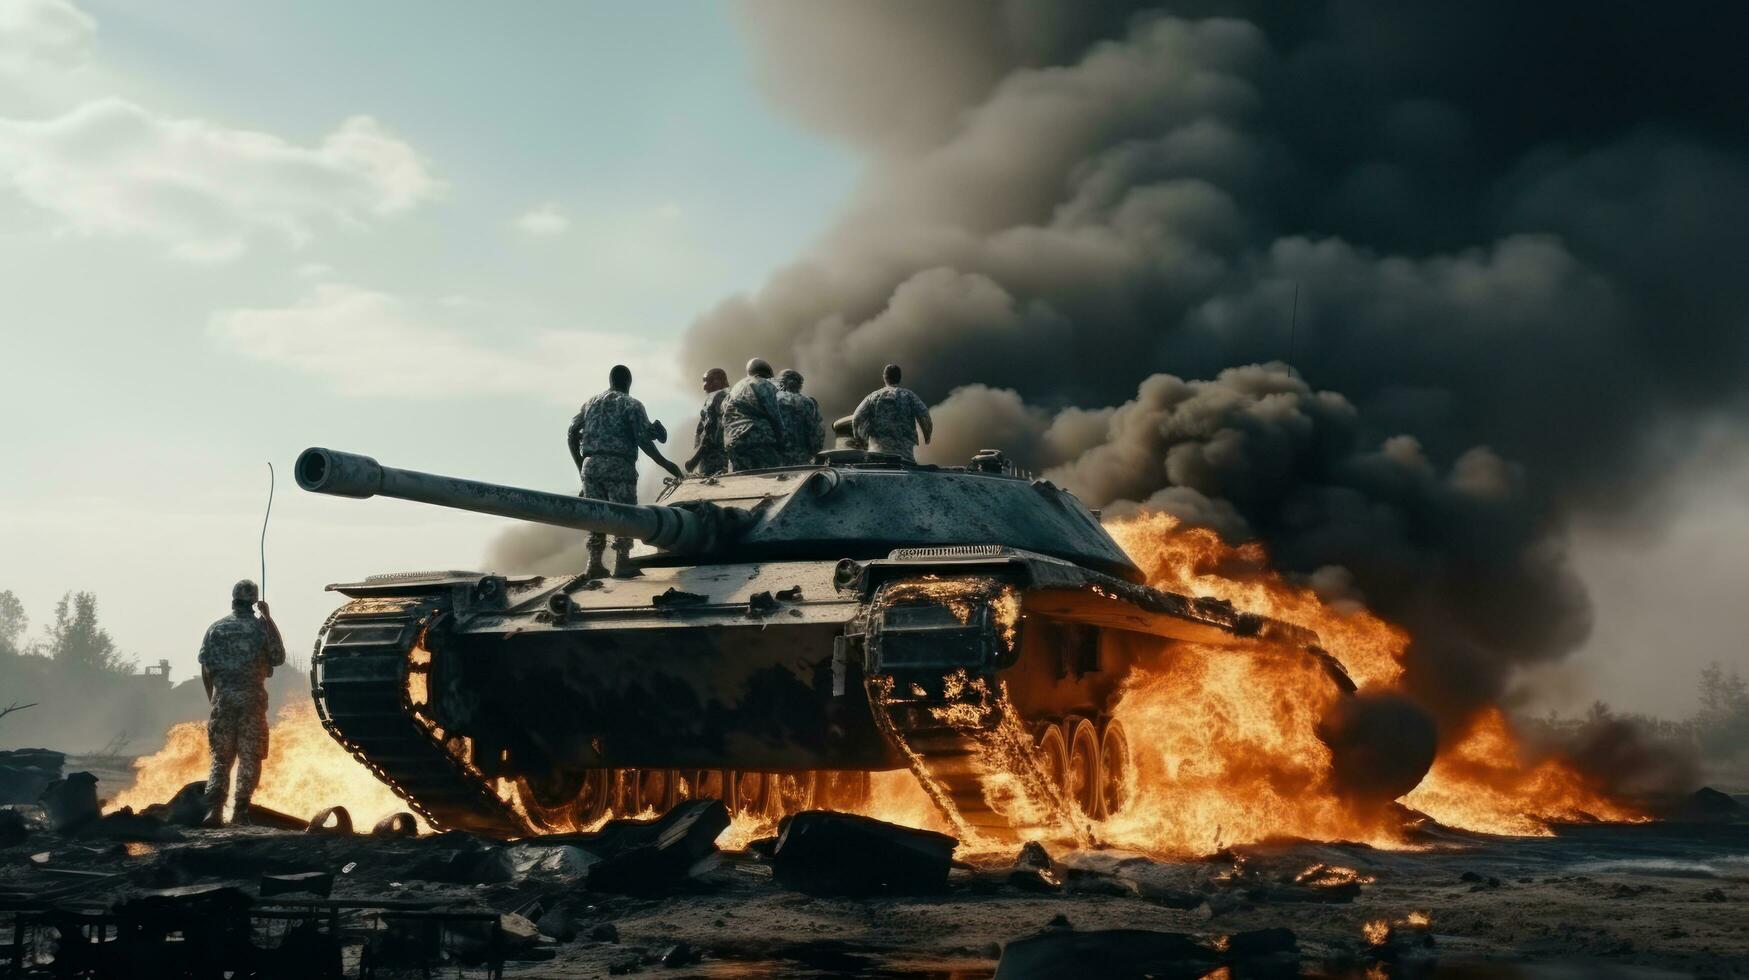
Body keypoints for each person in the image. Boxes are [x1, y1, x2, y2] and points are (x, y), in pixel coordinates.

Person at [567, 364, 683, 578]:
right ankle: (622, 563)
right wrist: (666, 464)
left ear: (610, 381)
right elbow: (643, 441)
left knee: (595, 515)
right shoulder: (632, 404)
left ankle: (594, 564)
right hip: (618, 465)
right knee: (623, 515)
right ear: (628, 383)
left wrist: (580, 468)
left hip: (591, 466)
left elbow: (572, 433)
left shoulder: (590, 403)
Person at [199, 579, 284, 825]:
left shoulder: (216, 629)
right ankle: (239, 811)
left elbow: (206, 668)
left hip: (222, 700)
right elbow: (278, 657)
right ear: (255, 602)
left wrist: (212, 699)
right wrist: (268, 618)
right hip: (252, 702)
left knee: (221, 757)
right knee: (250, 756)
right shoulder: (261, 628)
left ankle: (213, 811)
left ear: (233, 601)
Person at [852, 363, 933, 462]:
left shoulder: (873, 397)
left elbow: (857, 418)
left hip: (878, 454)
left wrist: (860, 440)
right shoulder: (909, 396)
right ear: (899, 378)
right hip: (904, 455)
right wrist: (927, 436)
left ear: (884, 377)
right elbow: (924, 415)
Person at [722, 357, 787, 471]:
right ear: (767, 374)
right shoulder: (763, 384)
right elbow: (774, 416)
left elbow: (724, 413)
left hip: (732, 441)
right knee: (772, 476)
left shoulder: (735, 388)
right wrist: (781, 440)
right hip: (756, 439)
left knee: (740, 480)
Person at [686, 367, 730, 476]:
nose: (705, 385)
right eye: (704, 381)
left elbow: (710, 433)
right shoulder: (728, 396)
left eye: (709, 381)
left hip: (714, 459)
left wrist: (694, 460)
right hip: (724, 456)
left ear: (721, 382)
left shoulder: (716, 398)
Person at [776, 369, 825, 466]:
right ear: (799, 385)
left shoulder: (773, 400)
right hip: (802, 460)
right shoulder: (809, 403)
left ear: (781, 383)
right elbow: (818, 434)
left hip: (778, 460)